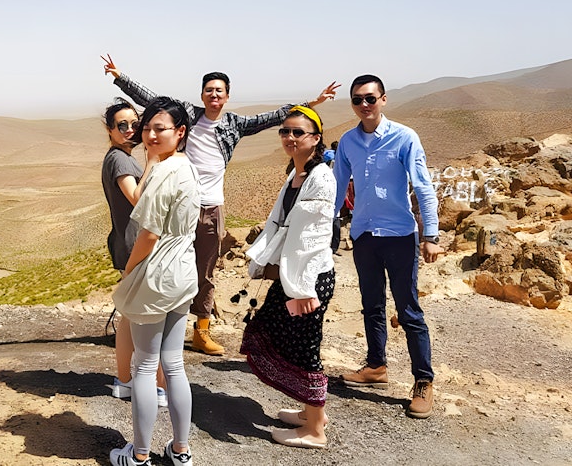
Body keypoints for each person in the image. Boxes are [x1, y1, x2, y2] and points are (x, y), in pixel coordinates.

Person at [103, 53, 338, 355]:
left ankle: (201, 330)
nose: (214, 95)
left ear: (227, 96)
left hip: (212, 208)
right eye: (209, 90)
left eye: (219, 90)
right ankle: (158, 326)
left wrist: (311, 104)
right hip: (179, 206)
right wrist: (120, 77)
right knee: (169, 264)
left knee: (206, 270)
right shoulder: (188, 115)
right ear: (202, 94)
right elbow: (153, 100)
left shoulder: (234, 124)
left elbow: (273, 117)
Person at [332, 74, 443, 419]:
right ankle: (376, 366)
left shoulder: (404, 137)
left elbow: (423, 186)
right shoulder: (348, 141)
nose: (363, 105)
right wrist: (328, 228)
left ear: (383, 99)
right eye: (357, 100)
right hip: (364, 234)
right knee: (371, 305)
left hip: (399, 235)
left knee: (408, 309)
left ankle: (423, 381)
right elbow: (337, 188)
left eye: (369, 98)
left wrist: (432, 236)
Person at [110, 97, 199, 466]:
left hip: (158, 273)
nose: (149, 135)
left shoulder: (162, 172)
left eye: (159, 128)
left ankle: (140, 455)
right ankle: (181, 451)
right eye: (147, 128)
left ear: (179, 132)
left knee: (146, 366)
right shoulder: (186, 166)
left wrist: (130, 272)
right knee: (174, 364)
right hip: (183, 271)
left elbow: (147, 235)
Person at [241, 106, 336, 450]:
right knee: (283, 335)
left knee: (305, 349)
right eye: (285, 131)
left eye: (298, 132)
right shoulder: (296, 175)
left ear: (315, 139)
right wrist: (260, 259)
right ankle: (313, 412)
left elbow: (307, 241)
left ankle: (314, 431)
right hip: (295, 278)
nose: (290, 138)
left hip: (307, 281)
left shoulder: (321, 178)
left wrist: (300, 289)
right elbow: (279, 226)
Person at [99, 98, 168, 408]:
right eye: (122, 126)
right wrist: (153, 156)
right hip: (135, 246)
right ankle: (154, 385)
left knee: (130, 315)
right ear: (110, 130)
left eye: (134, 124)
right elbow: (138, 197)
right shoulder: (119, 160)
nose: (130, 130)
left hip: (129, 243)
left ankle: (126, 381)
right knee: (144, 317)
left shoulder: (122, 156)